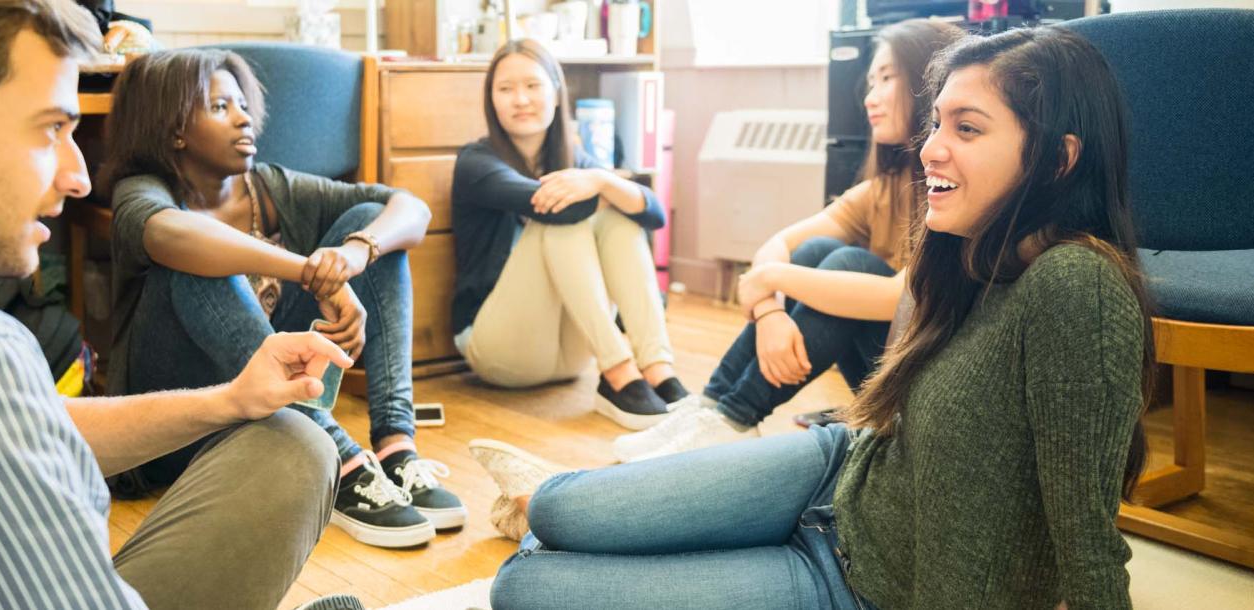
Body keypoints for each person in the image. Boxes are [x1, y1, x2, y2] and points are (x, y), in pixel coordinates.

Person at [473, 25, 1154, 609]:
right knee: (561, 510)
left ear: (1059, 159)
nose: (930, 149)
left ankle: (638, 485)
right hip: (837, 470)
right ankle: (589, 497)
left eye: (966, 128)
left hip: (846, 583)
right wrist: (769, 304)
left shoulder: (1077, 285)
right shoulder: (965, 248)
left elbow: (1090, 544)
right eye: (936, 122)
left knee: (526, 587)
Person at [0, 1, 359, 609]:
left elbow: (4, 426)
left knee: (293, 448)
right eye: (50, 130)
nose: (80, 176)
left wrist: (228, 401)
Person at [102, 49, 464, 549]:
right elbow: (170, 236)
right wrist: (315, 275)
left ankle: (396, 447)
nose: (244, 116)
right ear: (174, 131)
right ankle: (340, 458)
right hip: (175, 429)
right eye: (220, 107)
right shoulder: (140, 191)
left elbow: (411, 209)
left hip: (265, 410)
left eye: (242, 104)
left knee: (372, 226)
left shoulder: (270, 187)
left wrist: (357, 253)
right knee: (194, 259)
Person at [613, 19, 966, 463]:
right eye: (870, 81)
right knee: (816, 252)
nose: (869, 98)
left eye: (886, 79)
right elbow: (774, 249)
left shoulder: (954, 190)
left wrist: (776, 278)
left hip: (931, 383)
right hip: (888, 368)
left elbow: (896, 298)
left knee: (848, 264)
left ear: (925, 83)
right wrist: (770, 316)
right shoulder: (884, 190)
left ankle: (734, 417)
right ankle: (715, 411)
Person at [451, 40, 682, 430]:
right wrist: (605, 186)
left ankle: (658, 369)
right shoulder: (476, 161)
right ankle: (620, 373)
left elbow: (654, 214)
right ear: (491, 102)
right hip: (498, 350)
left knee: (620, 218)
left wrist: (598, 179)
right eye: (505, 89)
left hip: (571, 354)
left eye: (532, 85)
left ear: (556, 93)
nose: (520, 99)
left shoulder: (577, 163)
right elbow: (562, 208)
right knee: (559, 216)